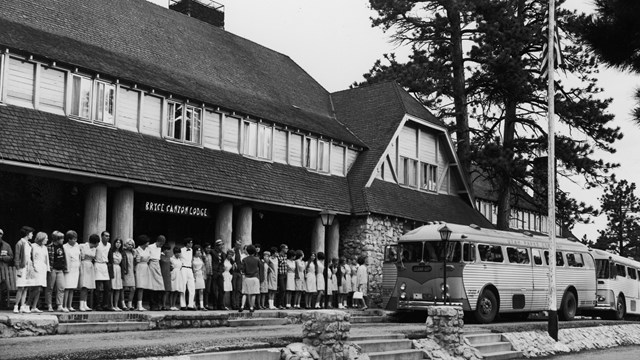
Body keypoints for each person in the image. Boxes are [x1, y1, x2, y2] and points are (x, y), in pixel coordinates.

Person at [13, 226, 34, 313]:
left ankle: (22, 306)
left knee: (25, 288)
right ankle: (16, 306)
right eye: (31, 233)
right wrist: (18, 268)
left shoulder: (29, 244)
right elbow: (17, 257)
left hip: (28, 267)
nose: (32, 235)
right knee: (21, 287)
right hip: (22, 267)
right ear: (27, 234)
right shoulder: (20, 243)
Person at [29, 231, 50, 312]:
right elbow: (31, 258)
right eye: (46, 238)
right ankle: (28, 304)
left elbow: (46, 259)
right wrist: (33, 267)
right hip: (35, 268)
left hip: (43, 269)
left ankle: (34, 307)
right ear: (41, 238)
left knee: (40, 288)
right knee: (35, 288)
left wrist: (47, 269)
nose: (47, 240)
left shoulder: (45, 248)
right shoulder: (33, 246)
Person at [46, 231, 66, 312]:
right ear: (57, 239)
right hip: (52, 269)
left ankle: (59, 305)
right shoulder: (49, 247)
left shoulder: (62, 247)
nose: (63, 240)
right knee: (50, 288)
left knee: (61, 287)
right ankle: (49, 305)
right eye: (61, 238)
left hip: (60, 269)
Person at [78, 234, 99, 311]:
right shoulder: (82, 246)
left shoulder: (94, 249)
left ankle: (85, 303)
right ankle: (81, 304)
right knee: (84, 286)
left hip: (90, 266)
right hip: (83, 265)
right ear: (96, 242)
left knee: (87, 287)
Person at [62, 230, 80, 312]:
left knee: (72, 288)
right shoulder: (64, 247)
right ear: (69, 239)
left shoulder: (77, 246)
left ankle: (70, 305)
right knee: (67, 288)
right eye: (73, 239)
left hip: (76, 269)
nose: (75, 240)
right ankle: (64, 305)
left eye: (75, 239)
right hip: (68, 269)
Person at [239, 244, 260, 313]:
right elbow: (259, 267)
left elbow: (242, 269)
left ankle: (242, 306)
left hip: (246, 277)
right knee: (253, 293)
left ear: (247, 251)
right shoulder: (257, 259)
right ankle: (251, 307)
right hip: (254, 277)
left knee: (245, 293)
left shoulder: (244, 259)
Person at [147, 235, 166, 310]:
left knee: (160, 285)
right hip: (152, 264)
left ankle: (158, 303)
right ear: (158, 241)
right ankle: (152, 304)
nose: (161, 245)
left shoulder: (160, 248)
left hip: (157, 264)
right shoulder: (150, 247)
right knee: (152, 286)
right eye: (161, 243)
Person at [94, 231, 112, 311]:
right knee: (98, 287)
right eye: (106, 236)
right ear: (102, 236)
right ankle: (98, 305)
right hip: (97, 264)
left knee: (107, 287)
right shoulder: (97, 245)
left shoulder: (109, 245)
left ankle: (106, 305)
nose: (107, 237)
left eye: (108, 236)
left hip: (105, 265)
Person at [109, 237, 127, 311]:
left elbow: (123, 263)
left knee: (118, 289)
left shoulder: (121, 252)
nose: (118, 244)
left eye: (120, 243)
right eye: (117, 242)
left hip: (118, 269)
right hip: (113, 269)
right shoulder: (111, 251)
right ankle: (111, 305)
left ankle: (116, 305)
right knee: (112, 288)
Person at [134, 234, 151, 311]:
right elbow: (135, 261)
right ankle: (138, 305)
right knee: (139, 286)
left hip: (145, 267)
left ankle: (140, 304)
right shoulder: (137, 250)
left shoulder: (148, 250)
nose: (148, 243)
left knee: (143, 286)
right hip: (139, 267)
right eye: (147, 242)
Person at [0, 228, 15, 310]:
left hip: (3, 269)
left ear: (2, 235)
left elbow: (11, 257)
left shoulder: (6, 245)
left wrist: (2, 258)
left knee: (4, 288)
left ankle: (2, 304)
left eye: (0, 234)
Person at [180, 238, 196, 310]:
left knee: (192, 287)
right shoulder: (181, 250)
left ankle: (190, 304)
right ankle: (182, 304)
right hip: (183, 268)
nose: (191, 244)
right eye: (190, 243)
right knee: (183, 286)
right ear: (187, 243)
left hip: (189, 269)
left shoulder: (192, 250)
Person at [210, 239, 225, 310]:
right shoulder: (212, 252)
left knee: (221, 289)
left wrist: (221, 271)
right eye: (221, 245)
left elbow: (222, 264)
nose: (222, 246)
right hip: (214, 272)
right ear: (217, 245)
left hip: (220, 272)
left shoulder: (223, 254)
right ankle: (214, 305)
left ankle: (220, 305)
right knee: (214, 289)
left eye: (222, 245)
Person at [122, 238, 136, 310]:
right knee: (123, 288)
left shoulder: (132, 253)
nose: (130, 246)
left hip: (131, 271)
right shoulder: (123, 252)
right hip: (125, 271)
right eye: (129, 244)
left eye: (131, 244)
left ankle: (129, 303)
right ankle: (123, 303)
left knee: (133, 288)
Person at [192, 245, 207, 310]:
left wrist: (204, 274)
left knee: (201, 290)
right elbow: (191, 267)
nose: (198, 252)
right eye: (197, 250)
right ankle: (193, 304)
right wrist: (193, 275)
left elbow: (203, 266)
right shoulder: (192, 258)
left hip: (200, 274)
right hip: (195, 274)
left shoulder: (200, 258)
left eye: (199, 250)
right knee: (194, 291)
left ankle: (201, 305)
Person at [169, 246, 184, 311]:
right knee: (172, 290)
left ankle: (174, 305)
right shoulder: (171, 259)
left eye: (179, 253)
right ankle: (171, 305)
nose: (178, 254)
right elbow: (170, 267)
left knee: (177, 291)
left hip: (179, 275)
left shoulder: (180, 260)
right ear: (174, 253)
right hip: (174, 274)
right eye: (177, 253)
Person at [160, 244, 172, 311]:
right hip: (162, 274)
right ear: (164, 250)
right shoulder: (160, 256)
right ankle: (161, 305)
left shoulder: (169, 257)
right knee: (162, 291)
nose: (168, 251)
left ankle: (166, 305)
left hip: (168, 274)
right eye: (167, 250)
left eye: (169, 250)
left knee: (167, 290)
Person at [276, 244, 288, 309]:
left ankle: (282, 304)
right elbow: (279, 263)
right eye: (286, 248)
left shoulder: (285, 256)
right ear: (282, 249)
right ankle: (279, 304)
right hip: (280, 274)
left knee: (284, 290)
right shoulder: (278, 255)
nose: (287, 250)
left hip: (285, 273)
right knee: (282, 289)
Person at [203, 242, 214, 309]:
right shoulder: (203, 255)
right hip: (204, 274)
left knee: (208, 290)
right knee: (202, 290)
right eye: (207, 248)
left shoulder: (210, 255)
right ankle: (201, 304)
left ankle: (206, 304)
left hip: (210, 274)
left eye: (209, 248)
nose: (208, 249)